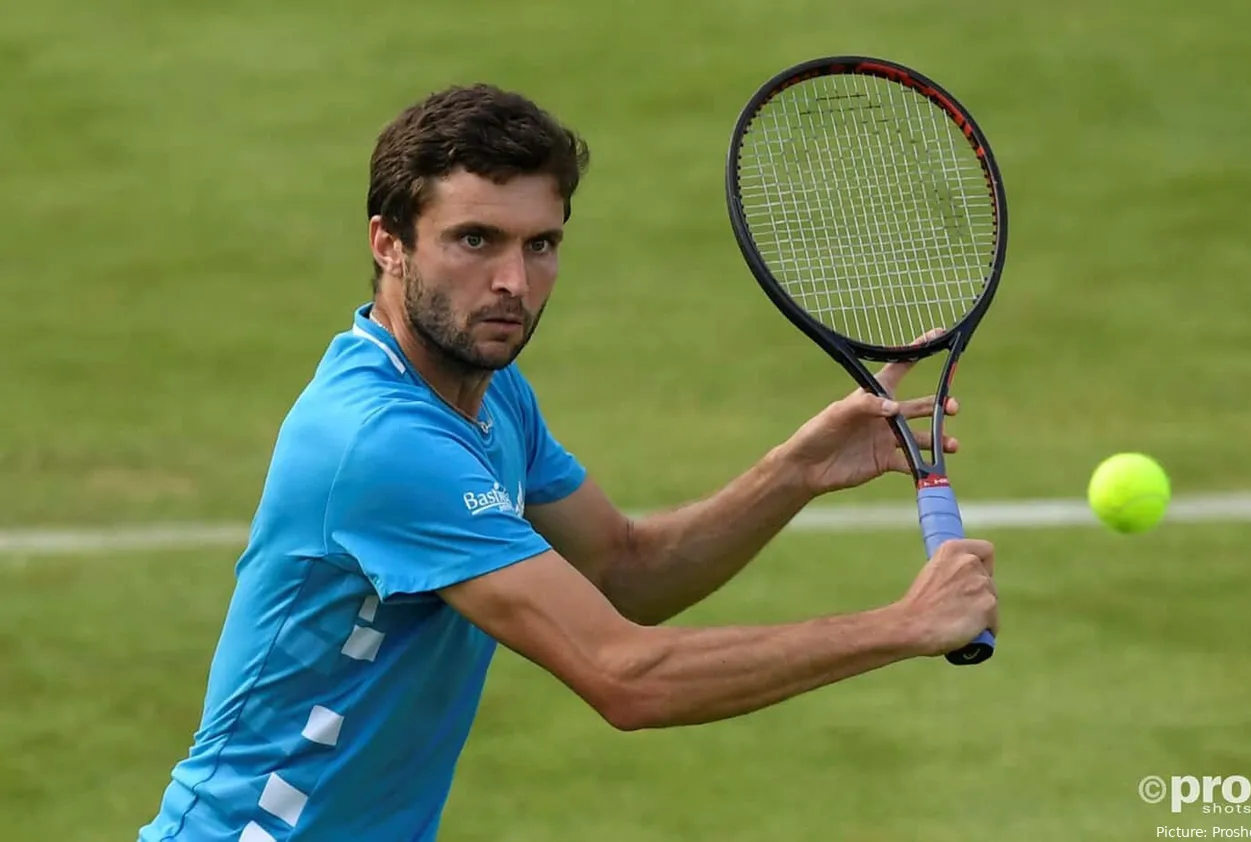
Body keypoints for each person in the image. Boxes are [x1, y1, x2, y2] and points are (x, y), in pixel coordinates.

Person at [137, 83, 997, 842]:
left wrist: (795, 471)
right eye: (474, 241)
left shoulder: (489, 390)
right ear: (388, 244)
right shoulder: (381, 443)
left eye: (540, 244)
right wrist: (902, 625)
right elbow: (626, 679)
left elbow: (625, 569)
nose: (513, 279)